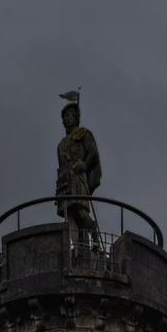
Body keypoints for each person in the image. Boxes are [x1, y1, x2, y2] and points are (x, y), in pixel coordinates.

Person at [55, 93, 102, 241]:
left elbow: (93, 152)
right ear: (63, 120)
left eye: (72, 115)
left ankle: (95, 240)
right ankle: (78, 249)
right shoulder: (61, 144)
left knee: (81, 211)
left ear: (76, 118)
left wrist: (85, 164)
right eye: (67, 115)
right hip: (64, 179)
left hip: (78, 175)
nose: (69, 118)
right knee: (70, 215)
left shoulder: (83, 134)